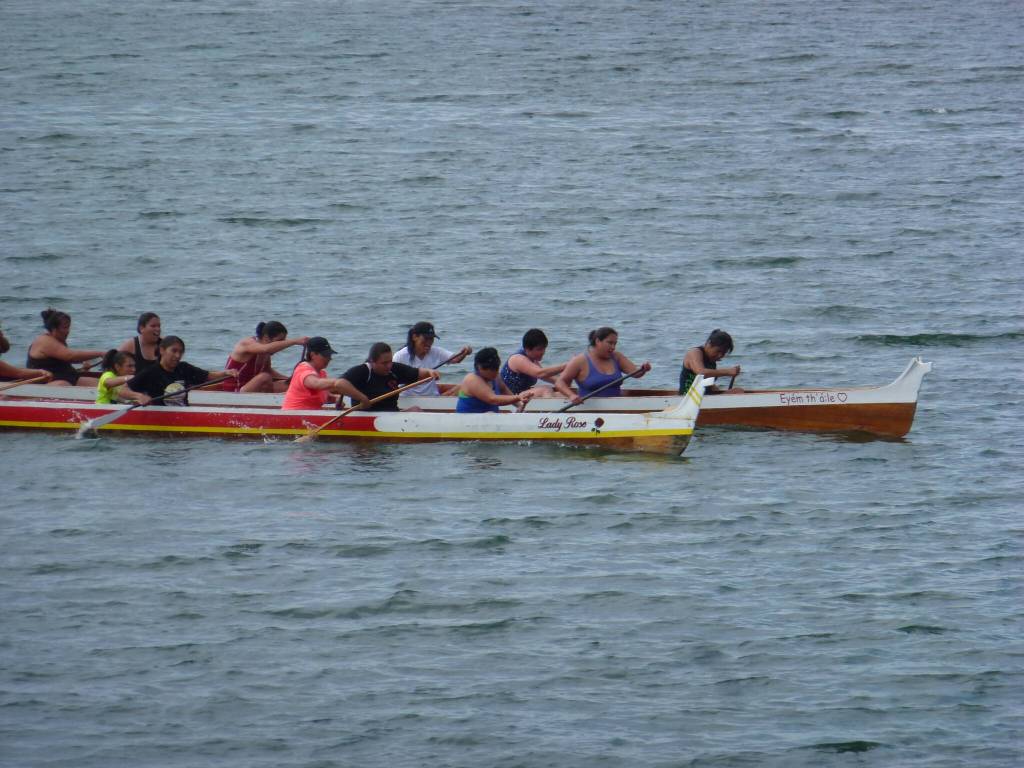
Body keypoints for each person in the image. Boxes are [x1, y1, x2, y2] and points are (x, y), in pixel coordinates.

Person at [127, 336, 237, 405]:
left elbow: (209, 376)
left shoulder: (184, 368)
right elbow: (123, 391)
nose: (178, 355)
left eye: (181, 352)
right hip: (160, 415)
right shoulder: (151, 372)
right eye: (174, 351)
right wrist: (139, 396)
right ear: (162, 350)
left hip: (183, 412)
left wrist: (226, 373)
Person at [554, 326, 651, 405]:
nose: (613, 347)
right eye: (610, 343)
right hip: (588, 409)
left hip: (616, 407)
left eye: (615, 344)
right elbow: (559, 382)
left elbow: (636, 374)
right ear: (597, 341)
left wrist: (643, 370)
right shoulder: (580, 360)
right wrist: (571, 395)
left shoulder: (617, 357)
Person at [336, 342, 440, 412]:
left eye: (390, 361)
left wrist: (430, 372)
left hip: (392, 414)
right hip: (366, 416)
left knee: (416, 410)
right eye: (384, 363)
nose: (389, 366)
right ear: (372, 362)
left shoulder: (394, 369)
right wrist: (363, 399)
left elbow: (418, 373)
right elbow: (339, 384)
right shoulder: (363, 371)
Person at [222, 321, 309, 393]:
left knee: (293, 385)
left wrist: (290, 380)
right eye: (279, 341)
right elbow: (266, 349)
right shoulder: (247, 344)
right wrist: (295, 341)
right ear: (266, 338)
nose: (281, 344)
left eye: (283, 341)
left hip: (251, 387)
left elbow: (268, 371)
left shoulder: (266, 352)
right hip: (234, 391)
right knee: (265, 377)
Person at [26, 308, 106, 386]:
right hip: (46, 383)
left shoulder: (59, 340)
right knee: (63, 384)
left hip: (68, 378)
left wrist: (82, 362)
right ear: (54, 329)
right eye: (65, 328)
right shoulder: (45, 341)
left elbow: (64, 358)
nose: (68, 331)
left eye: (68, 327)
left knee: (101, 384)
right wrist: (100, 353)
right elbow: (70, 356)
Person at [393, 321, 471, 397]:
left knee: (465, 387)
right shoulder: (400, 356)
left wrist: (464, 352)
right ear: (414, 337)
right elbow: (392, 380)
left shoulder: (436, 351)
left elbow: (456, 359)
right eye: (426, 339)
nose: (429, 342)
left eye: (431, 339)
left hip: (432, 397)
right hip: (408, 398)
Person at [455, 347, 534, 413]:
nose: (495, 373)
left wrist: (519, 404)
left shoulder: (496, 376)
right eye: (492, 369)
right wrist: (518, 397)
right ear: (479, 367)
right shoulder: (471, 379)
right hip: (468, 423)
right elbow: (492, 399)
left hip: (489, 420)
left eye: (496, 368)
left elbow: (504, 390)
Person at [282, 337, 348, 410]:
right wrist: (338, 382)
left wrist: (335, 398)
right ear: (312, 355)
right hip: (293, 415)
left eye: (329, 355)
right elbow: (315, 383)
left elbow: (322, 394)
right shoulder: (303, 369)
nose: (329, 358)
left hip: (308, 416)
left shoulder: (322, 373)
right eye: (325, 355)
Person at [499, 328, 567, 397]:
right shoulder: (518, 359)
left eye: (544, 348)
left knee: (562, 394)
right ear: (527, 349)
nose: (543, 352)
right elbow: (540, 373)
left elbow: (546, 377)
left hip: (521, 396)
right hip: (508, 399)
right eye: (539, 349)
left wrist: (564, 381)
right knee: (546, 390)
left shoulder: (531, 358)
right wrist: (566, 366)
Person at [679, 329, 742, 394]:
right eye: (718, 351)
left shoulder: (712, 362)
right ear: (709, 344)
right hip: (689, 399)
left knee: (738, 391)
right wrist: (728, 372)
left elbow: (706, 383)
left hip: (705, 399)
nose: (720, 355)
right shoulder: (694, 352)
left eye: (723, 353)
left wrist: (718, 390)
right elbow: (701, 373)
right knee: (738, 392)